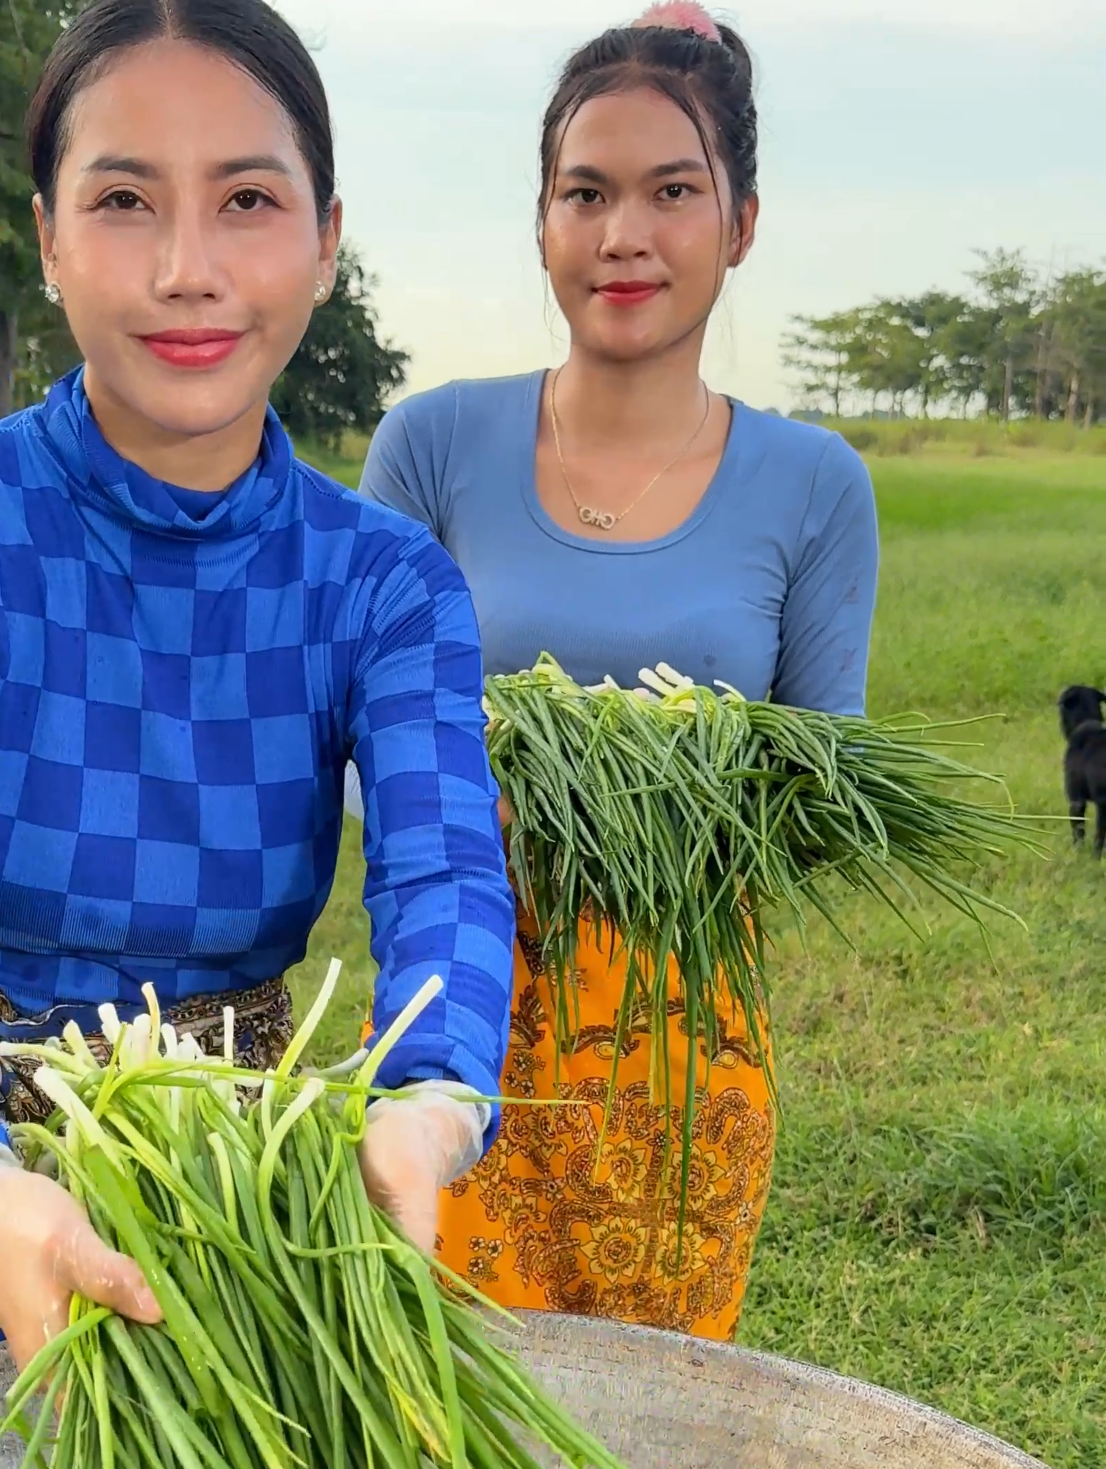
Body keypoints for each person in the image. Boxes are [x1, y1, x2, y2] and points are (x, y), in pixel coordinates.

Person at [0, 0, 514, 1398]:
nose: (188, 269)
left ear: (326, 241)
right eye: (126, 200)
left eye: (249, 201)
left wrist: (432, 1099)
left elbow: (444, 869)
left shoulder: (384, 584)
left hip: (235, 1196)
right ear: (48, 236)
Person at [359, 2, 878, 1340]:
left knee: (644, 1454)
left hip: (683, 1049)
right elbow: (362, 759)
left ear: (741, 224)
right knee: (439, 1435)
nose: (623, 235)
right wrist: (502, 792)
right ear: (541, 220)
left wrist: (666, 783)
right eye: (586, 192)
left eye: (671, 192)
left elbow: (822, 798)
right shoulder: (431, 447)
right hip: (457, 1028)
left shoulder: (816, 487)